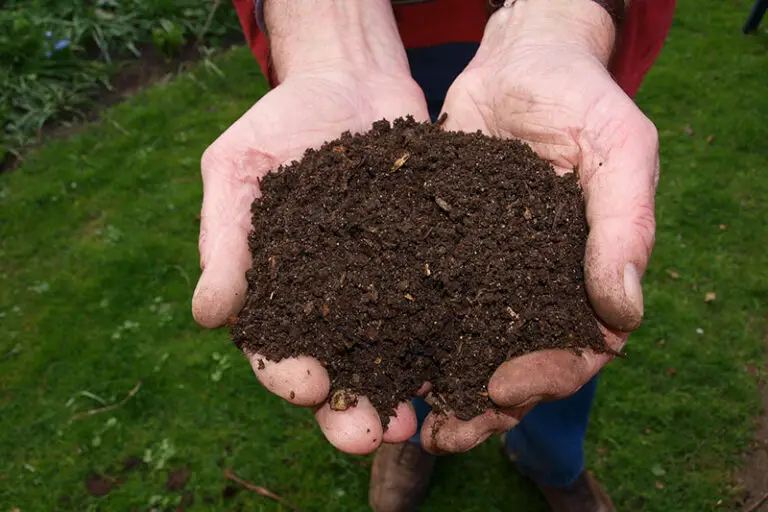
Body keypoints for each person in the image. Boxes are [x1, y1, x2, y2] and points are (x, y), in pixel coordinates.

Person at [192, 1, 676, 510]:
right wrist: (329, 29)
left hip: (555, 33)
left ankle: (552, 462)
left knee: (562, 326)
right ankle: (411, 433)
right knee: (413, 343)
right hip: (400, 30)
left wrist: (562, 21)